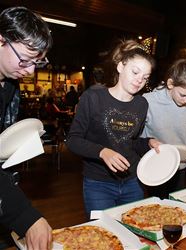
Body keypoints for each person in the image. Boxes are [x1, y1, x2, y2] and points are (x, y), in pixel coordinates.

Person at [66, 40, 161, 217]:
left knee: (135, 232)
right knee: (103, 237)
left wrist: (148, 143)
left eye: (146, 77)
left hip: (133, 181)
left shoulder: (141, 104)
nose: (140, 80)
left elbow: (130, 142)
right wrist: (102, 152)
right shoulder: (93, 98)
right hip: (98, 184)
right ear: (120, 67)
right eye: (135, 72)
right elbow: (73, 140)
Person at [0, 6, 53, 250]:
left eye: (37, 61)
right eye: (25, 59)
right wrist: (25, 217)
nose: (31, 70)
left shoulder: (10, 83)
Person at [142, 59, 186, 197]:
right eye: (183, 95)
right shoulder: (148, 101)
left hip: (180, 169)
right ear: (170, 84)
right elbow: (138, 139)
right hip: (155, 169)